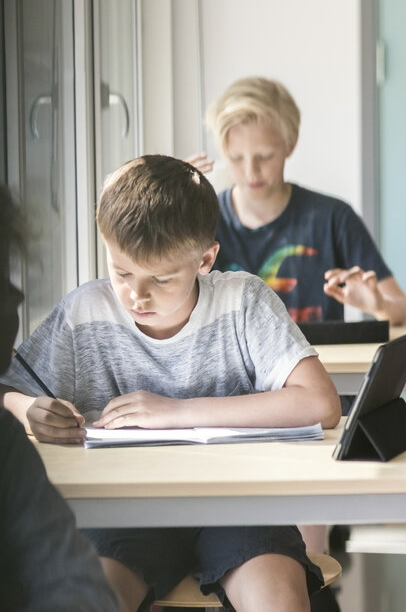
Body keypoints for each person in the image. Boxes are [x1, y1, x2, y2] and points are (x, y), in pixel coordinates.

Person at [0, 156, 342, 612]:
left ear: (205, 259)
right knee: (88, 596)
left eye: (160, 279)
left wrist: (177, 411)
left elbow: (321, 403)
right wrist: (27, 409)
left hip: (235, 505)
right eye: (122, 273)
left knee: (278, 599)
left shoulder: (242, 301)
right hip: (122, 513)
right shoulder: (85, 312)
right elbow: (8, 390)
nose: (137, 296)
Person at [196, 76, 406, 326]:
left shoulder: (333, 219)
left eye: (265, 157)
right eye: (236, 158)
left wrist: (379, 306)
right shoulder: (200, 222)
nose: (251, 172)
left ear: (290, 144)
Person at [0, 186, 119, 611]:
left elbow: (72, 583)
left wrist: (20, 409)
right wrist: (19, 404)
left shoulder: (7, 446)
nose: (16, 296)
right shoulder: (84, 308)